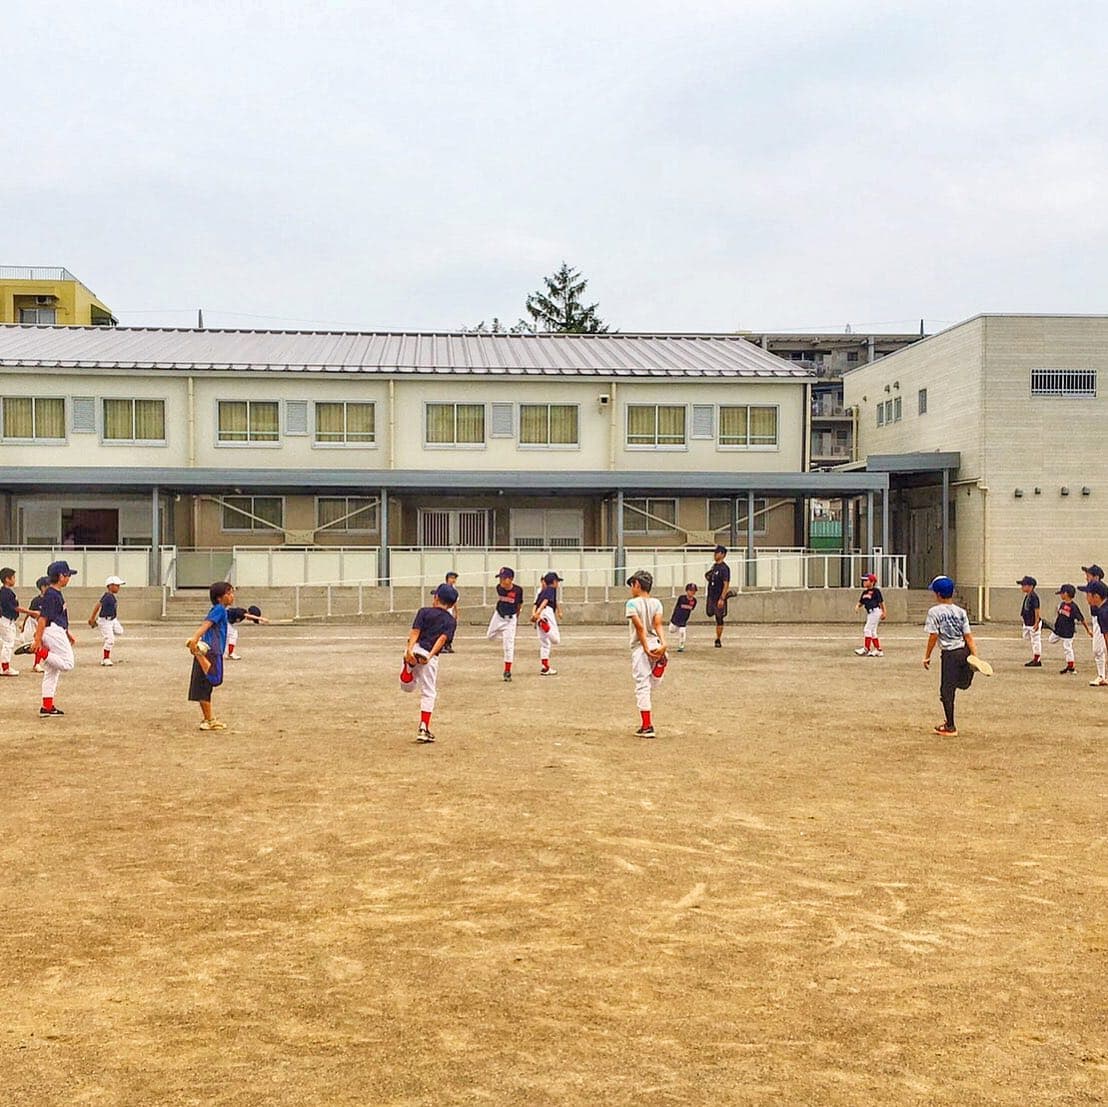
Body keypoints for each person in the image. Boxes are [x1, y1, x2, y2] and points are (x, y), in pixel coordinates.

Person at [923, 575, 992, 737]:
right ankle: (968, 669)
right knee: (962, 684)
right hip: (964, 651)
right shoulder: (960, 611)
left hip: (950, 654)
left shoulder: (934, 612)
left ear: (938, 594)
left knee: (946, 691)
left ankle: (950, 726)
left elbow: (933, 635)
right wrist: (975, 656)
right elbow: (968, 636)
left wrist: (927, 656)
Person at [400, 582, 457, 742]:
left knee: (407, 687)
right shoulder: (451, 620)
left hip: (415, 649)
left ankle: (408, 668)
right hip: (428, 656)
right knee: (429, 692)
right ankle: (424, 727)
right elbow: (442, 639)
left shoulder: (424, 611)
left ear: (436, 597)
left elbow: (415, 632)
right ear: (452, 604)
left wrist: (410, 650)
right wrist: (430, 655)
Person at [31, 560, 79, 717]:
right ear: (60, 576)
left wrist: (67, 632)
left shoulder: (55, 593)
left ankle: (47, 706)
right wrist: (38, 642)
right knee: (67, 664)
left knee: (52, 672)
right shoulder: (52, 595)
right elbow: (43, 619)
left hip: (56, 630)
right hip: (53, 631)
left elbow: (57, 616)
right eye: (67, 575)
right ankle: (41, 652)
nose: (68, 578)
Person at [185, 581, 234, 731]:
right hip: (211, 651)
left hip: (209, 650)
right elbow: (206, 624)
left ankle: (208, 719)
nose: (232, 596)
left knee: (204, 685)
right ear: (220, 597)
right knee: (214, 679)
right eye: (229, 593)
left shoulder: (220, 609)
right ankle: (209, 719)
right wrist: (195, 639)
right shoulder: (219, 609)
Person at [625, 570, 668, 739]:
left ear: (637, 584)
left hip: (641, 647)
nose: (631, 588)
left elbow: (640, 628)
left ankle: (646, 725)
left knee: (642, 685)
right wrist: (664, 644)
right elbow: (657, 625)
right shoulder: (656, 603)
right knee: (652, 685)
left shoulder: (631, 604)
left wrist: (644, 647)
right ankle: (659, 666)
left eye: (632, 585)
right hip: (656, 643)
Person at [486, 566, 523, 681]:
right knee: (490, 636)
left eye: (504, 578)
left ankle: (507, 671)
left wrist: (516, 618)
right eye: (500, 578)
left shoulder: (518, 590)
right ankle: (502, 632)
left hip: (510, 620)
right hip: (498, 616)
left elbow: (519, 604)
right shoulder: (499, 588)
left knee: (508, 646)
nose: (501, 581)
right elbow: (504, 592)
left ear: (511, 579)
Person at [1048, 584, 1091, 675]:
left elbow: (1082, 619)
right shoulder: (1062, 604)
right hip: (1059, 630)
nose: (1060, 595)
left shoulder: (1073, 607)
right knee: (1051, 640)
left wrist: (1088, 630)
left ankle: (1071, 666)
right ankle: (1049, 627)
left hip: (1068, 631)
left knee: (1067, 647)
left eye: (1062, 593)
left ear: (1066, 594)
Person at [1, 567, 35, 677]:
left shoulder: (5, 592)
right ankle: (5, 667)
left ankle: (4, 666)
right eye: (13, 577)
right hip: (6, 620)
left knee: (7, 642)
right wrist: (31, 612)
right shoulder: (6, 593)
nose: (15, 580)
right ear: (7, 579)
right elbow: (15, 608)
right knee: (8, 643)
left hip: (6, 619)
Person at [88, 575, 125, 666]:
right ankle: (105, 659)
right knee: (110, 639)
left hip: (112, 619)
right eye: (117, 585)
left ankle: (99, 625)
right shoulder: (107, 596)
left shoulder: (112, 596)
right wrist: (92, 618)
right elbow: (98, 605)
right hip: (105, 620)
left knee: (120, 631)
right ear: (110, 586)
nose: (118, 587)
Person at [530, 571, 563, 675]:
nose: (558, 584)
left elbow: (536, 603)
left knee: (545, 643)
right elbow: (545, 601)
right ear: (553, 582)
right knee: (556, 640)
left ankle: (545, 667)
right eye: (557, 581)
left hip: (540, 615)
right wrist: (539, 613)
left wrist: (535, 614)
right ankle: (544, 624)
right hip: (546, 613)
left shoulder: (542, 591)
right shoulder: (551, 588)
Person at [1077, 580, 1108, 687]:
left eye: (1088, 594)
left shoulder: (1104, 613)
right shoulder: (1102, 610)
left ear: (1096, 596)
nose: (1086, 597)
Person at [15, 576, 50, 670]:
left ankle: (38, 663)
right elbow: (29, 612)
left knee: (45, 643)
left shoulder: (51, 599)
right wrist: (23, 624)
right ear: (42, 587)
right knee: (37, 642)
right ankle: (36, 663)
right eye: (47, 586)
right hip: (33, 622)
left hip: (44, 623)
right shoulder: (36, 600)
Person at [704, 545, 735, 648]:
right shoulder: (714, 567)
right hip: (711, 595)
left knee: (719, 617)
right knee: (709, 613)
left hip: (718, 595)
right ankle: (726, 596)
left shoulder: (724, 568)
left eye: (717, 553)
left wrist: (722, 598)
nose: (715, 555)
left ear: (722, 554)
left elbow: (726, 583)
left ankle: (718, 639)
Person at [854, 572, 886, 657]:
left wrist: (884, 612)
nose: (864, 582)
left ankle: (866, 649)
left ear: (872, 582)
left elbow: (881, 602)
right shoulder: (864, 593)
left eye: (866, 581)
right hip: (870, 613)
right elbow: (861, 602)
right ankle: (878, 649)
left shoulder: (876, 591)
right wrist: (857, 606)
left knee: (867, 629)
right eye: (863, 581)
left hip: (875, 611)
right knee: (873, 631)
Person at [1018, 575, 1042, 667]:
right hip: (1027, 622)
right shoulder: (1028, 596)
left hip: (1032, 622)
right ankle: (1036, 657)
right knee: (1027, 637)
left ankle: (1037, 659)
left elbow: (1037, 609)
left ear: (1031, 586)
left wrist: (1036, 622)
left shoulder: (1034, 597)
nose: (1022, 587)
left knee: (1035, 640)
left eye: (1024, 585)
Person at [667, 583, 698, 652]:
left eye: (694, 591)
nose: (692, 592)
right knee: (671, 630)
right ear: (687, 591)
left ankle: (681, 646)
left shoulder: (694, 601)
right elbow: (677, 607)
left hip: (684, 620)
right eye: (690, 590)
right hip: (676, 618)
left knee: (682, 632)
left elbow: (691, 609)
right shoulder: (682, 598)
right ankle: (677, 627)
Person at [439, 572, 459, 653]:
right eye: (451, 578)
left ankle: (448, 645)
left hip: (450, 613)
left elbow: (455, 603)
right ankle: (441, 646)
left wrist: (456, 613)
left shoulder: (455, 591)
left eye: (454, 578)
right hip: (442, 612)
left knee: (451, 629)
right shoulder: (442, 588)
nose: (453, 580)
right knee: (441, 629)